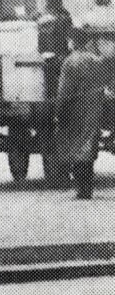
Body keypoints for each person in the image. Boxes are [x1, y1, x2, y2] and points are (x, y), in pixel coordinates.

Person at [51, 23, 111, 200]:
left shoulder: (70, 62)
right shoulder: (96, 60)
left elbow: (64, 92)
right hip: (94, 108)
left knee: (76, 146)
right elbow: (104, 84)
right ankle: (87, 189)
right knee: (88, 145)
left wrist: (59, 112)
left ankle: (80, 188)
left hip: (75, 109)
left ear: (71, 42)